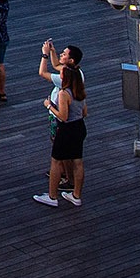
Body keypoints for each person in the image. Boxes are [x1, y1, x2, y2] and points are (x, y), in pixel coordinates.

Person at [34, 47, 87, 208]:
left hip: (66, 129)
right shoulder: (80, 91)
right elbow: (85, 112)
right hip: (79, 127)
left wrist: (49, 105)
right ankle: (76, 195)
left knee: (56, 161)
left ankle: (52, 196)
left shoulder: (64, 94)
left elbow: (63, 116)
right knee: (78, 161)